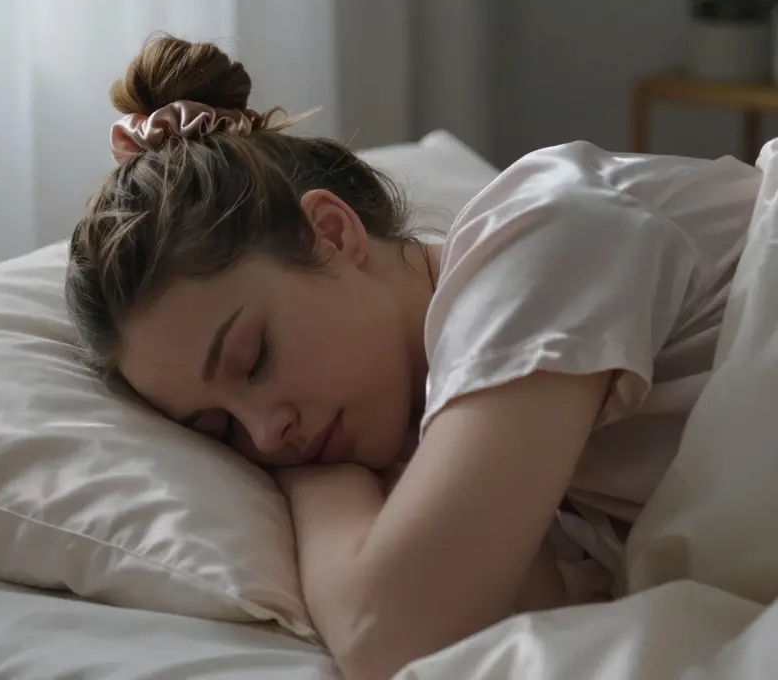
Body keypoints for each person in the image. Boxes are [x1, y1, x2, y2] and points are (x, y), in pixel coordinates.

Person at [63, 35, 762, 680]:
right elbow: (529, 621)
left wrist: (318, 483)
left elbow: (386, 632)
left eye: (253, 360)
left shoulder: (537, 238)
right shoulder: (441, 426)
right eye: (220, 429)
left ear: (332, 232)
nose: (267, 436)